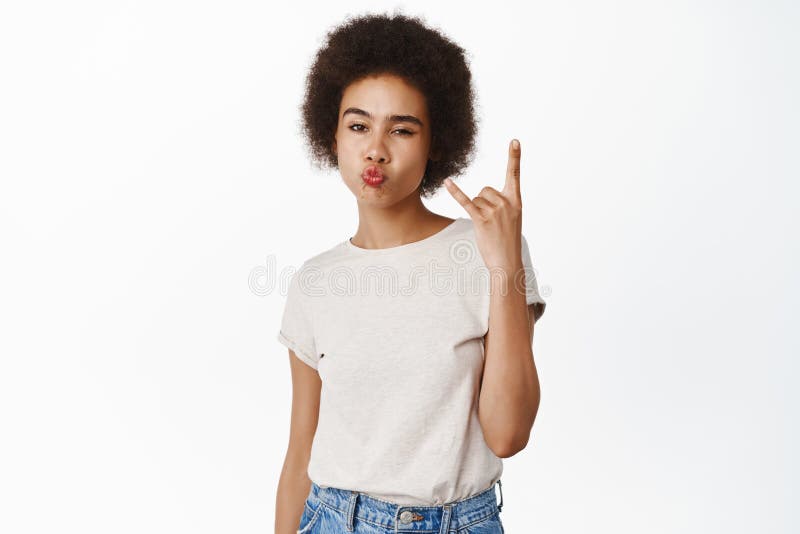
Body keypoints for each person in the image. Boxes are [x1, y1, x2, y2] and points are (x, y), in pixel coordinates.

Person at [274, 11, 546, 534]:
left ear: (435, 145)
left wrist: (505, 267)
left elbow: (508, 434)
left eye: (402, 130)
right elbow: (299, 456)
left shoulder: (485, 250)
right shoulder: (315, 282)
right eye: (358, 126)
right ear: (331, 137)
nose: (376, 149)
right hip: (332, 520)